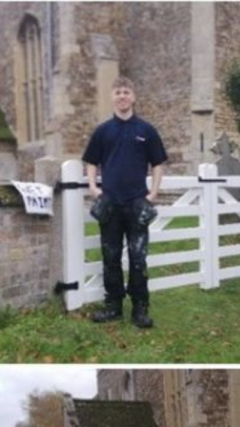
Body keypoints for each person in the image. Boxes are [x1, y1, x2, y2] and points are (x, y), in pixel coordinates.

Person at [82, 76, 168, 328]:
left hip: (136, 205)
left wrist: (152, 193)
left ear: (133, 97)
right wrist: (93, 187)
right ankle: (113, 307)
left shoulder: (146, 131)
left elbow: (159, 164)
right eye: (118, 92)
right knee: (111, 259)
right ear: (113, 97)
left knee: (138, 260)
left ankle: (140, 309)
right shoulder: (102, 131)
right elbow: (91, 162)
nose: (122, 96)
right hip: (110, 204)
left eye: (126, 92)